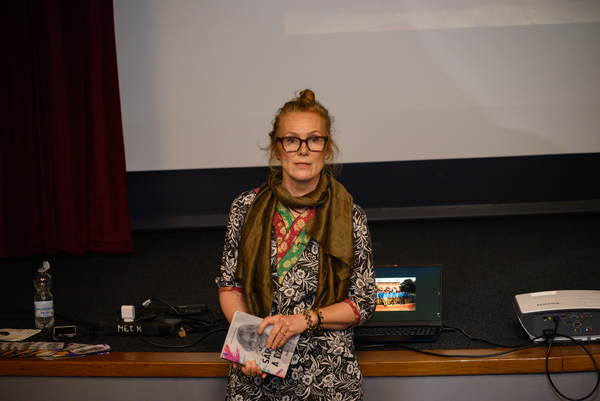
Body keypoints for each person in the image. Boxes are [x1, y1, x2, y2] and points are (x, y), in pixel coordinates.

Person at [216, 89, 377, 400]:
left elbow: (363, 303)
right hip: (257, 369)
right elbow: (230, 287)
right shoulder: (245, 208)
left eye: (314, 140)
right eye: (292, 140)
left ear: (326, 149)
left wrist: (303, 320)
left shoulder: (349, 215)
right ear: (277, 149)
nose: (303, 150)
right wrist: (250, 346)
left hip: (328, 375)